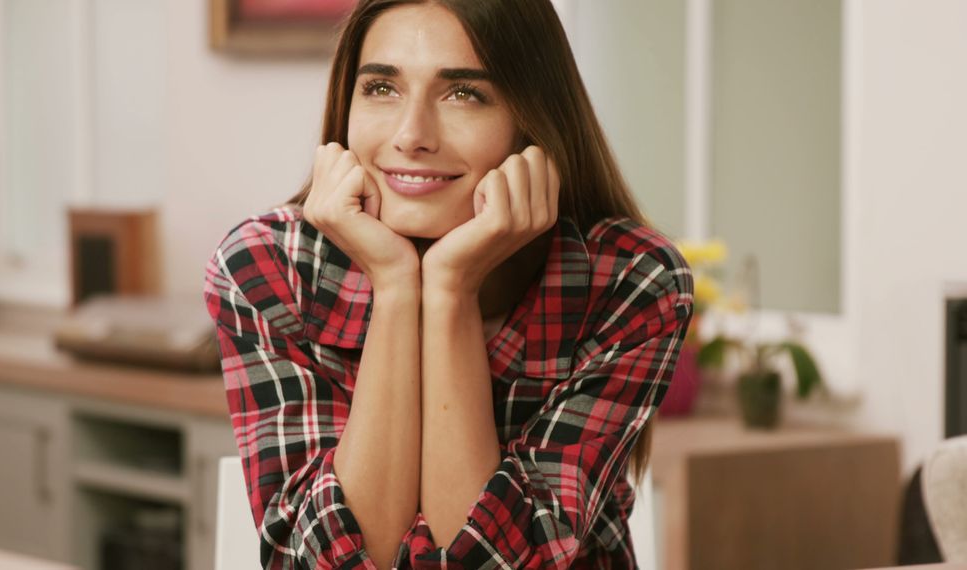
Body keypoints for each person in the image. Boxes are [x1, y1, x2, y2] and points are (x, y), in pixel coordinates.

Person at [203, 1, 693, 568]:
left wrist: (450, 290)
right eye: (382, 88)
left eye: (464, 94)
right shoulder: (268, 268)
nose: (412, 136)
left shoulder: (630, 281)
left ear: (532, 122)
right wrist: (394, 286)